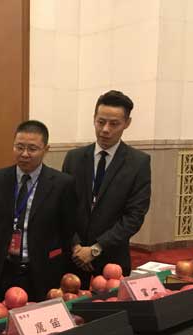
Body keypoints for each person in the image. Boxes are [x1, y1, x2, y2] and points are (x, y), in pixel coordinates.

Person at [62, 90, 151, 286]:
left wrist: (95, 249)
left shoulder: (138, 163)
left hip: (112, 258)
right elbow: (64, 208)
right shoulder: (74, 158)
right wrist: (76, 247)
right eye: (100, 122)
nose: (105, 129)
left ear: (127, 123)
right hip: (73, 258)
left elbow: (134, 216)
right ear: (94, 118)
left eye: (114, 124)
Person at [0, 120, 76, 302]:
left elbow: (67, 229)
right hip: (3, 269)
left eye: (32, 149)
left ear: (46, 149)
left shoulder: (62, 184)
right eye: (19, 147)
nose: (24, 154)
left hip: (42, 270)